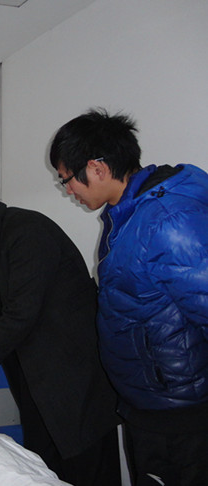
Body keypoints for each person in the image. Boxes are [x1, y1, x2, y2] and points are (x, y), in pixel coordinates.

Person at [49, 108, 208, 486]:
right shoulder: (126, 214)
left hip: (178, 414)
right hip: (150, 402)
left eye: (66, 179)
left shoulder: (168, 220)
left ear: (97, 168)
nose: (68, 190)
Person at [0, 192, 121, 486]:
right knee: (46, 464)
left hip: (72, 373)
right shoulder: (2, 242)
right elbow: (5, 311)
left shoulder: (26, 234)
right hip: (43, 375)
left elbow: (22, 313)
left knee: (85, 462)